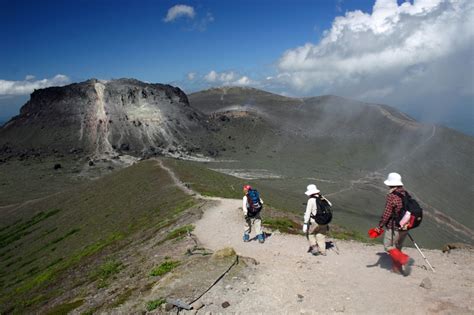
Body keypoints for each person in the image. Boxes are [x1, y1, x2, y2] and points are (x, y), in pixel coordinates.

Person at [374, 172, 411, 273]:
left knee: (388, 246)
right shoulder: (406, 193)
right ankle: (396, 269)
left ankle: (405, 259)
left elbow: (387, 213)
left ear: (390, 184)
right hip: (405, 226)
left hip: (394, 227)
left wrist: (380, 226)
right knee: (397, 248)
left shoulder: (392, 196)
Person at [302, 184, 331, 256]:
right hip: (324, 221)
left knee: (311, 234)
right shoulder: (322, 198)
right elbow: (330, 204)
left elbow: (308, 213)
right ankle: (323, 251)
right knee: (321, 235)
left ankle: (315, 249)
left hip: (315, 221)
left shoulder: (311, 200)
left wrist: (305, 224)